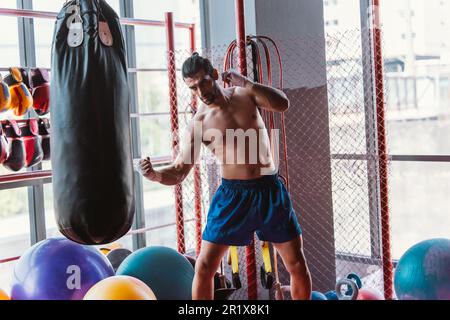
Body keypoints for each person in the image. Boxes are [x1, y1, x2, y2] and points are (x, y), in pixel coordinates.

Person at [139, 53, 312, 300]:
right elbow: (178, 172)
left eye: (203, 82)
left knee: (295, 264)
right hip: (233, 196)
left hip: (269, 190)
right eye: (193, 87)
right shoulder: (198, 123)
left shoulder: (245, 95)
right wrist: (155, 175)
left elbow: (282, 103)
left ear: (215, 76)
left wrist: (247, 83)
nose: (201, 91)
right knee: (205, 266)